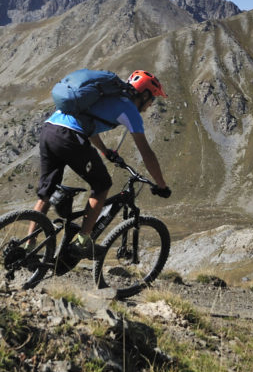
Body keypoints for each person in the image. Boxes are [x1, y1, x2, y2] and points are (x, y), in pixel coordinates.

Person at [32, 69, 172, 260]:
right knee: (102, 184)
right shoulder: (129, 110)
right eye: (152, 99)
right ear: (144, 93)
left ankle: (27, 247)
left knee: (46, 192)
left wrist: (105, 151)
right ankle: (82, 242)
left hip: (49, 130)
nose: (150, 105)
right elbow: (146, 152)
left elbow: (87, 125)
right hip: (70, 136)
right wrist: (161, 184)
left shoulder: (102, 95)